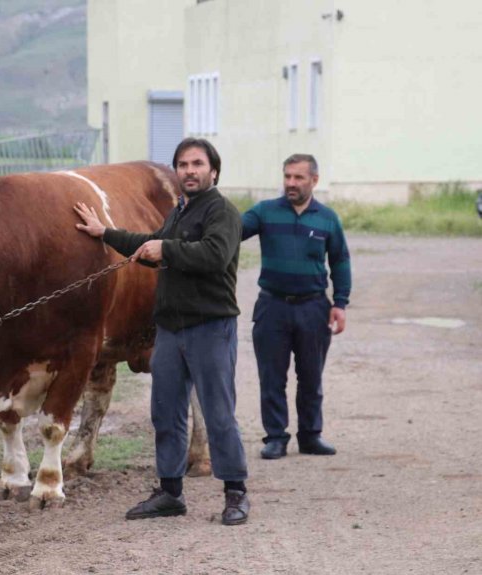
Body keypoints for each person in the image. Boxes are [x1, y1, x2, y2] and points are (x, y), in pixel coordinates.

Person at [74, 138, 249, 526]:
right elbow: (149, 244)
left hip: (210, 327)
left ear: (213, 172)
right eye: (183, 164)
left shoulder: (222, 212)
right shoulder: (179, 213)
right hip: (169, 331)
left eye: (197, 164)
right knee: (165, 413)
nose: (189, 170)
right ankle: (170, 492)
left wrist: (165, 251)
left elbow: (215, 256)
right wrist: (105, 233)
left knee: (219, 414)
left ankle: (235, 492)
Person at [241, 154, 351, 460]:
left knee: (311, 375)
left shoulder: (327, 218)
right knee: (272, 376)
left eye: (298, 177)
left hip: (313, 308)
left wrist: (340, 303)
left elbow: (340, 260)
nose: (291, 183)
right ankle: (276, 437)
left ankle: (310, 435)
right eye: (287, 176)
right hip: (272, 306)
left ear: (314, 180)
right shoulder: (265, 212)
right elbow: (231, 233)